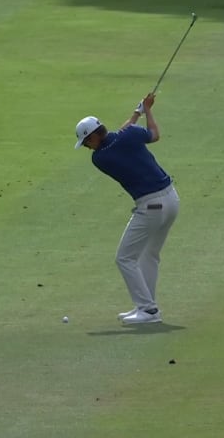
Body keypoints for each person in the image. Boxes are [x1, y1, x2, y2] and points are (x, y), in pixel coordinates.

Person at [74, 93, 180, 324]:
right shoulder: (128, 137)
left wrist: (138, 112)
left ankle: (148, 310)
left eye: (86, 143)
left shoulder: (100, 158)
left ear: (93, 138)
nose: (87, 148)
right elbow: (153, 134)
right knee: (149, 254)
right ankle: (147, 307)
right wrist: (146, 111)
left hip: (150, 205)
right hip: (172, 199)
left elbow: (120, 135)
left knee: (125, 258)